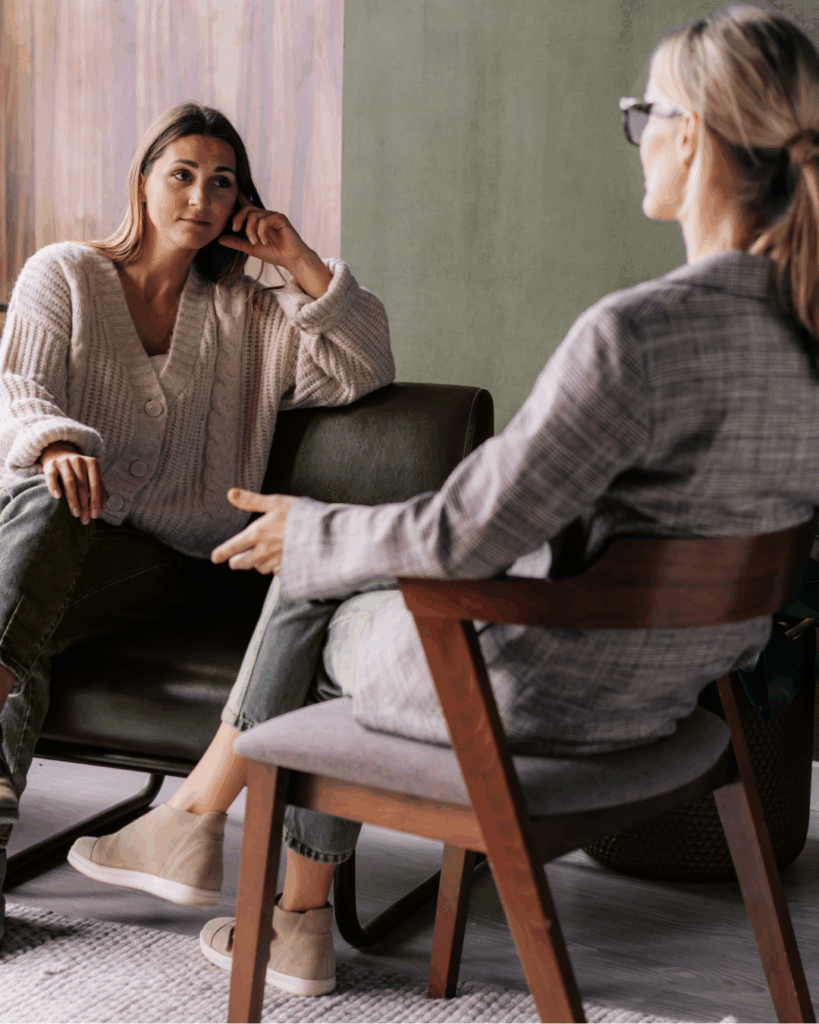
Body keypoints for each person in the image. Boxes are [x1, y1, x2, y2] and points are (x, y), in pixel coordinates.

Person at [70, 3, 819, 1000]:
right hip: (677, 695)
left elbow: (467, 531)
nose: (639, 137)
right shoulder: (798, 337)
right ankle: (248, 877)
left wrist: (315, 530)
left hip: (541, 693)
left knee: (319, 573)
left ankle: (224, 851)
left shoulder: (641, 333)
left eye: (644, 115)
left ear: (693, 136)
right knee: (341, 550)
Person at [0, 102, 394, 941]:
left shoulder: (252, 313)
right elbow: (17, 391)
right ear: (141, 183)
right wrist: (59, 439)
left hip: (163, 559)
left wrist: (298, 260)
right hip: (41, 523)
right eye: (180, 173)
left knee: (34, 580)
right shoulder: (62, 272)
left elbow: (363, 368)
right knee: (49, 512)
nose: (201, 196)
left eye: (223, 182)